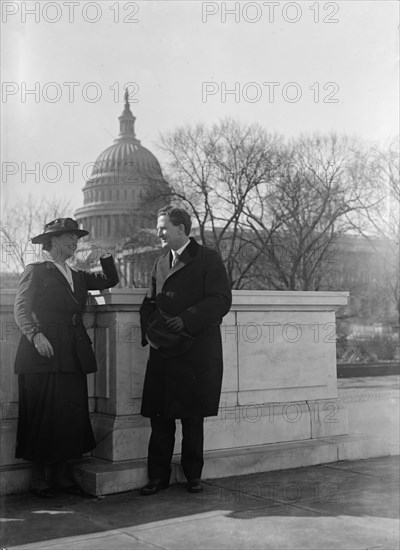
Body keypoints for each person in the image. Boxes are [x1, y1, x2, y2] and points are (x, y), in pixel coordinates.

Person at [13, 217, 119, 497]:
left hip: (72, 352)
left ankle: (60, 474)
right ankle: (38, 477)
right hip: (42, 353)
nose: (75, 242)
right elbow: (21, 308)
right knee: (41, 413)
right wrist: (35, 335)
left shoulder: (78, 275)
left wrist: (105, 255)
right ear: (54, 242)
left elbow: (110, 279)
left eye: (76, 237)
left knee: (68, 414)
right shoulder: (36, 271)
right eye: (70, 237)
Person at [139, 206, 232, 495]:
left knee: (192, 418)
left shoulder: (208, 259)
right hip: (164, 351)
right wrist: (151, 331)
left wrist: (187, 320)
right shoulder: (159, 263)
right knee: (160, 417)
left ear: (181, 229)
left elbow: (221, 300)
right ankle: (157, 477)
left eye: (163, 227)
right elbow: (149, 303)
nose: (159, 233)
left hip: (196, 352)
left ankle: (194, 476)